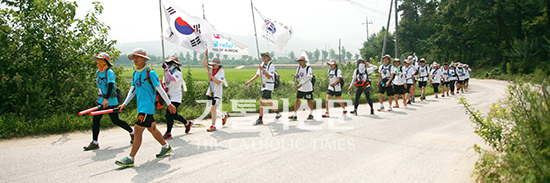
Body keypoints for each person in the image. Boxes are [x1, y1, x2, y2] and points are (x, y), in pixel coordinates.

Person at [115, 48, 177, 167]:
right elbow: (132, 90)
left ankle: (130, 158)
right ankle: (166, 146)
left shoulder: (150, 72)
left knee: (137, 130)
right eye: (133, 57)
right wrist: (124, 104)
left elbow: (160, 89)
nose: (135, 59)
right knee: (151, 128)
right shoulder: (135, 73)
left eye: (137, 57)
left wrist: (169, 104)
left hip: (147, 107)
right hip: (141, 106)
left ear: (144, 59)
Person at [83, 53, 134, 151]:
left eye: (100, 60)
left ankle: (132, 132)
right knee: (96, 120)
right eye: (97, 61)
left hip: (110, 100)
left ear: (105, 62)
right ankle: (94, 142)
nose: (98, 62)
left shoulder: (109, 72)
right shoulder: (98, 72)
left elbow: (111, 86)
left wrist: (106, 99)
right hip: (101, 100)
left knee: (115, 120)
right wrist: (102, 99)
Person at [161, 55, 193, 140]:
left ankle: (168, 133)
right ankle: (187, 123)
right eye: (167, 64)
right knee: (174, 115)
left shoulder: (178, 73)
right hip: (168, 97)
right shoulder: (166, 74)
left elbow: (171, 79)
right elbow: (164, 83)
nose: (168, 66)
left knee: (169, 114)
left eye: (170, 64)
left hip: (176, 97)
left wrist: (166, 70)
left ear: (175, 65)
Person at [245, 52, 282, 125]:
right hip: (264, 86)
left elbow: (269, 76)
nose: (264, 57)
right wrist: (249, 81)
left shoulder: (271, 65)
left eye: (265, 56)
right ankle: (278, 113)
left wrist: (263, 70)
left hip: (269, 85)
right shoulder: (261, 65)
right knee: (269, 101)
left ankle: (260, 119)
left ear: (268, 57)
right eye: (262, 56)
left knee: (262, 100)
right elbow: (257, 75)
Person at [202, 51, 228, 132]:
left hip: (217, 92)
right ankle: (223, 115)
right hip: (210, 91)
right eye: (212, 64)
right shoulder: (210, 69)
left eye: (214, 65)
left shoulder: (221, 72)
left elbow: (219, 82)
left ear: (218, 65)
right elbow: (204, 63)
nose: (213, 66)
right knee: (211, 109)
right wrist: (205, 55)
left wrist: (211, 76)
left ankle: (213, 125)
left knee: (213, 108)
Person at [288, 56, 314, 121]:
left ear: (304, 62)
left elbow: (309, 79)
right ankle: (295, 115)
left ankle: (311, 114)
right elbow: (300, 77)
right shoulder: (299, 68)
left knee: (309, 100)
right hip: (301, 88)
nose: (299, 63)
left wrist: (301, 84)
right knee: (297, 100)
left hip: (307, 88)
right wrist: (297, 77)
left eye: (301, 61)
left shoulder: (308, 68)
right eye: (299, 61)